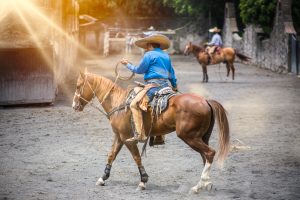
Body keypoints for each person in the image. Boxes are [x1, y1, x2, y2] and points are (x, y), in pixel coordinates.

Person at [121, 34, 177, 143]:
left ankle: (140, 134)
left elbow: (139, 70)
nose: (146, 48)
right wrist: (174, 86)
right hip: (166, 86)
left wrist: (127, 64)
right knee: (161, 106)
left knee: (133, 104)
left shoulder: (149, 55)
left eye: (147, 46)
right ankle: (160, 136)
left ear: (151, 45)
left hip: (153, 86)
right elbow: (172, 74)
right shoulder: (166, 56)